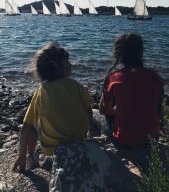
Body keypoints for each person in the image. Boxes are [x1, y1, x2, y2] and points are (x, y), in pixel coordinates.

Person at [13, 41, 92, 171]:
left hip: (53, 151)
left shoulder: (41, 91)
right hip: (79, 142)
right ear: (56, 66)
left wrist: (21, 155)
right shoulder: (75, 85)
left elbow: (25, 127)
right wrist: (89, 135)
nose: (71, 65)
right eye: (67, 62)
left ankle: (30, 157)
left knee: (32, 125)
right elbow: (88, 112)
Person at [99, 33, 164, 146]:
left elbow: (103, 110)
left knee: (96, 115)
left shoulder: (113, 77)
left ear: (118, 54)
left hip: (124, 140)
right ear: (141, 52)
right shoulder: (155, 77)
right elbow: (158, 110)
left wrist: (117, 111)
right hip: (151, 139)